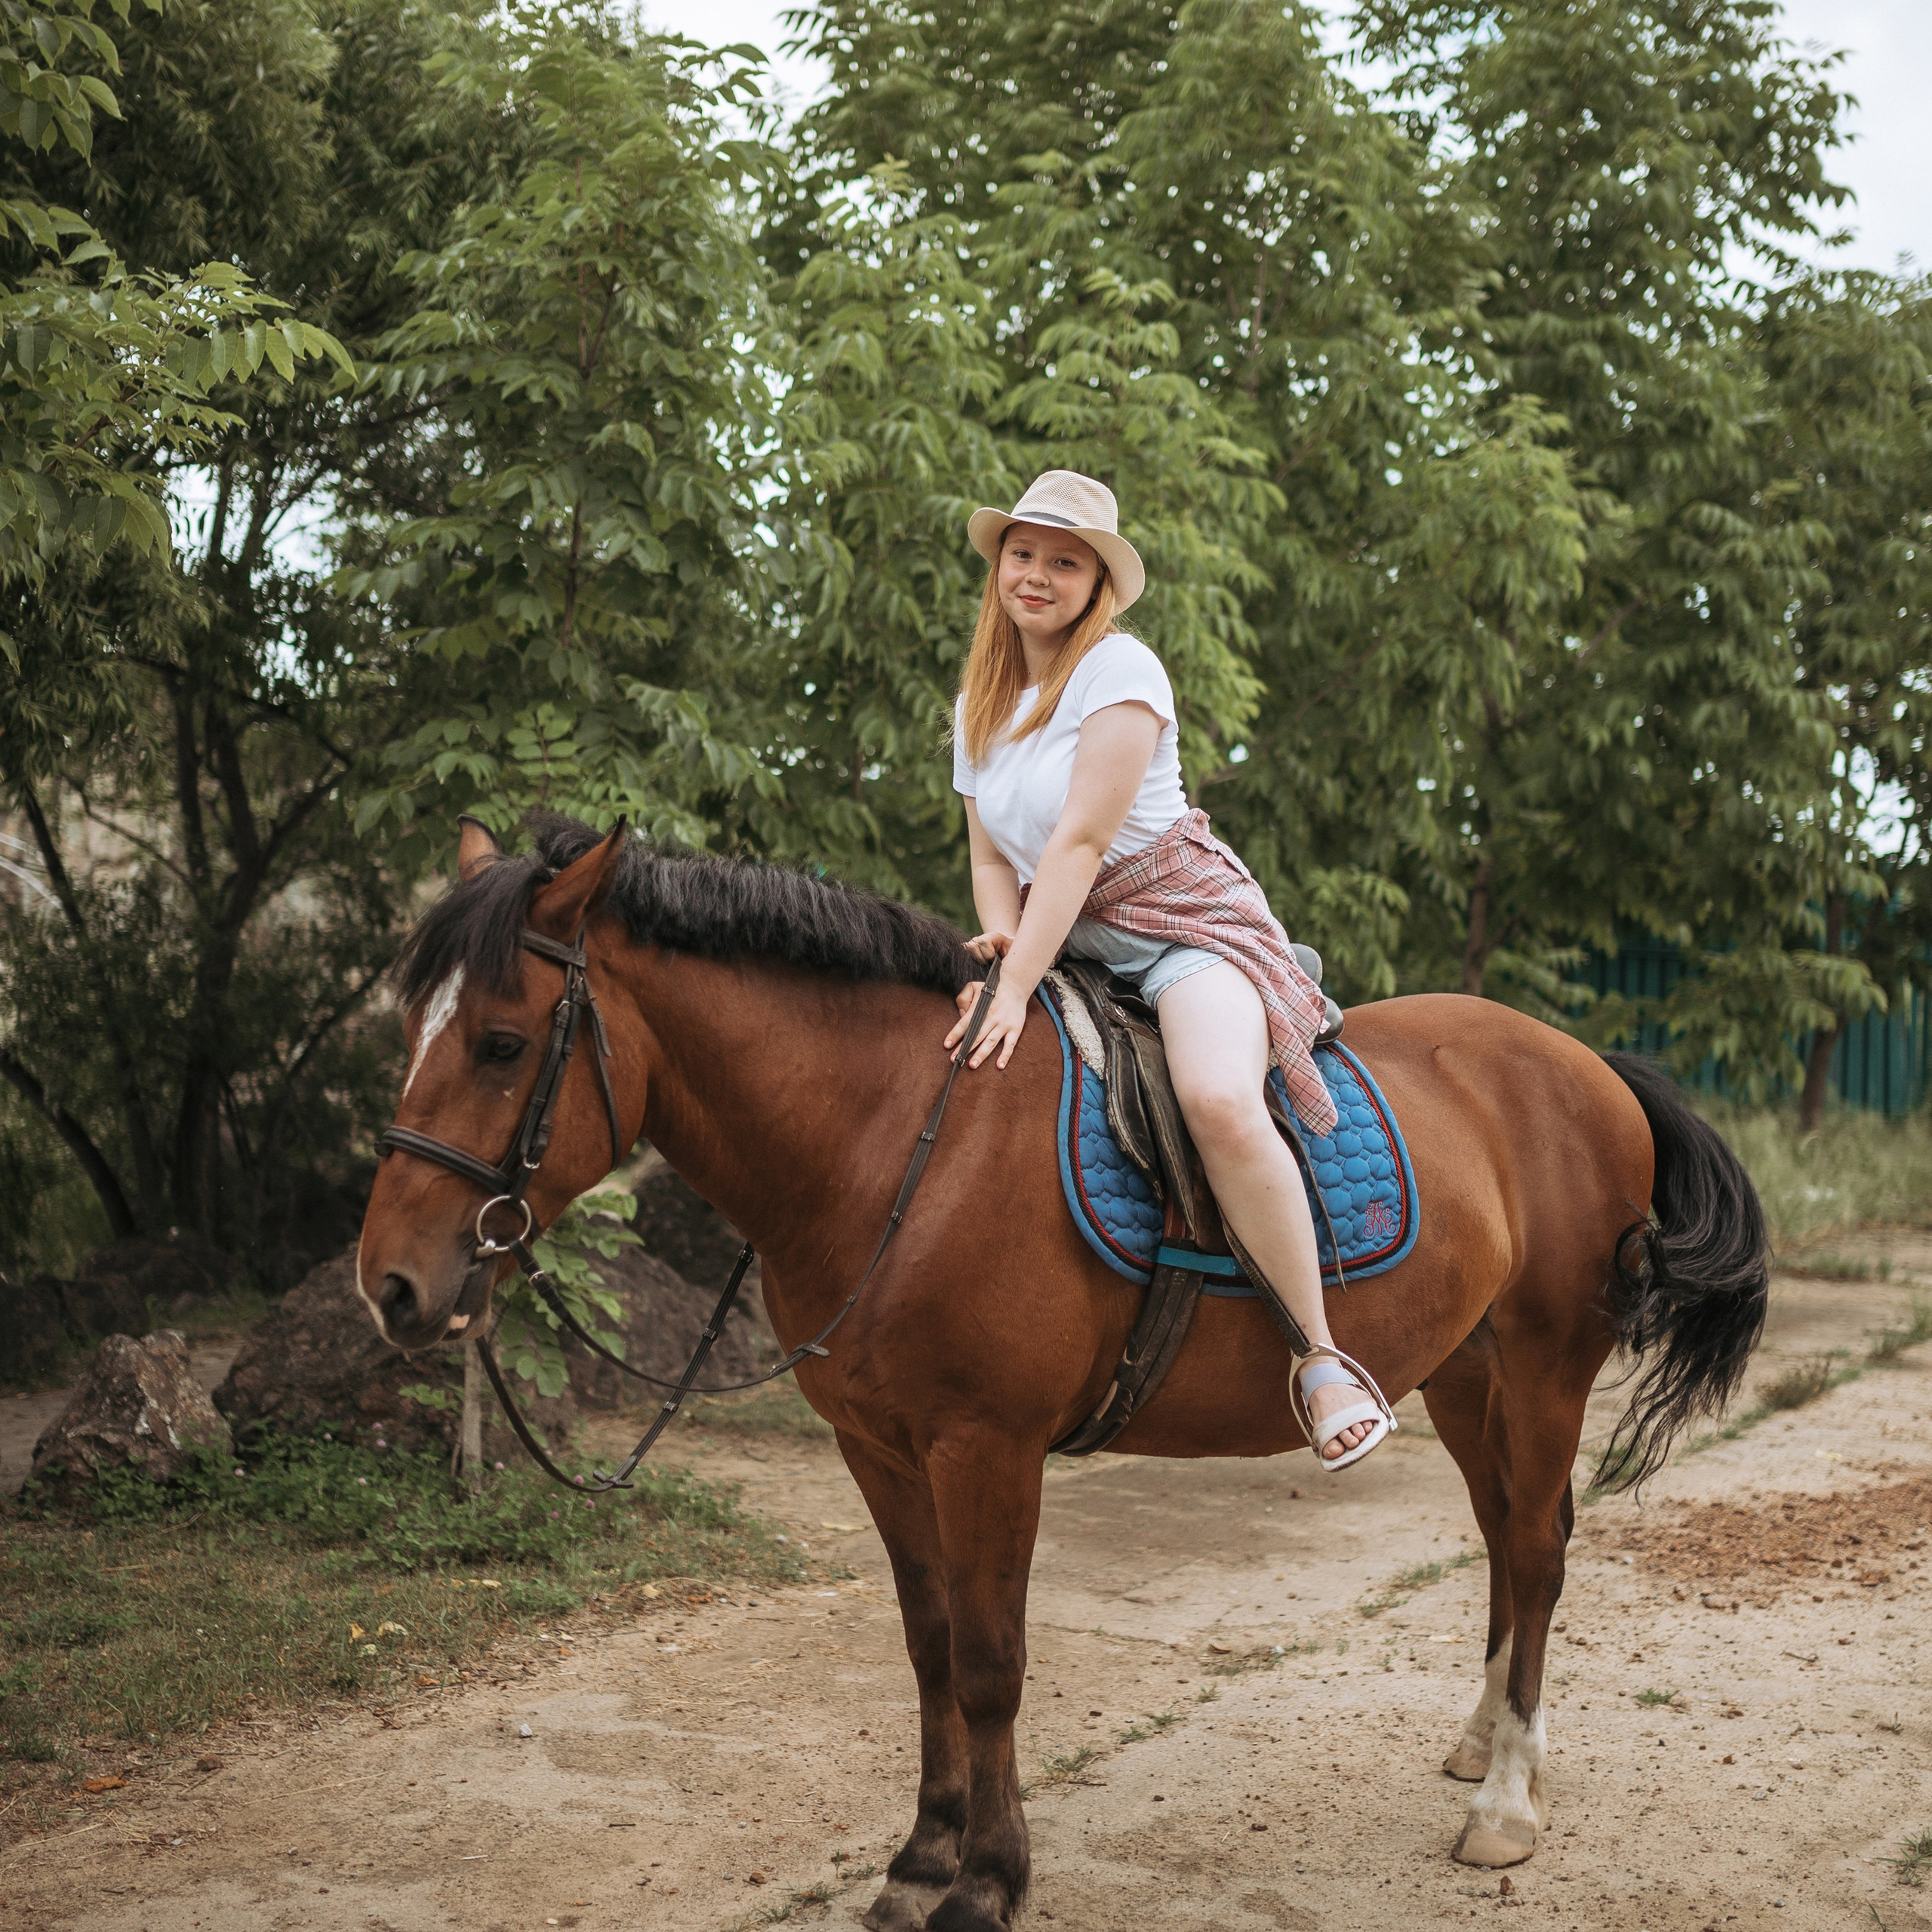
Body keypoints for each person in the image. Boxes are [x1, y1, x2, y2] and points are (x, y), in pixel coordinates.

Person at [945, 469, 1395, 1468]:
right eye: (1024, 553)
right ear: (1000, 563)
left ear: (1097, 582)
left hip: (1181, 925)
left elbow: (1077, 845)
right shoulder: (983, 697)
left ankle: (1320, 1360)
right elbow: (990, 859)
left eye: (1066, 561)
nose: (1037, 575)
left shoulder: (1121, 671)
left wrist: (1020, 983)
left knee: (1217, 1100)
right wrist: (1004, 942)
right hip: (1065, 937)